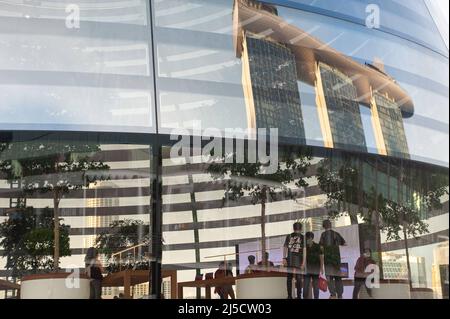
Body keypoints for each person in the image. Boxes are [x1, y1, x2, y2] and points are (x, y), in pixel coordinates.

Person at [319, 219, 346, 299]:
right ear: (331, 225)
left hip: (328, 261)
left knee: (329, 278)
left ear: (324, 226)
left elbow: (321, 248)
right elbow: (344, 243)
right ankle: (340, 295)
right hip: (337, 260)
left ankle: (333, 295)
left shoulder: (323, 235)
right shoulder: (336, 234)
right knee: (338, 278)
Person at [283, 222, 304, 299]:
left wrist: (284, 258)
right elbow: (304, 251)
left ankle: (289, 296)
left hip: (290, 260)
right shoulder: (302, 237)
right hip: (299, 261)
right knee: (299, 279)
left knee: (289, 278)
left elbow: (285, 247)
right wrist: (303, 262)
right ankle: (298, 296)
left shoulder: (289, 236)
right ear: (301, 228)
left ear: (293, 228)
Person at [303, 232, 324, 299]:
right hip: (307, 269)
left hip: (315, 269)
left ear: (311, 238)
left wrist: (321, 267)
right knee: (305, 286)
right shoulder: (304, 247)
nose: (307, 240)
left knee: (316, 286)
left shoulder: (318, 246)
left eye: (308, 238)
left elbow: (321, 257)